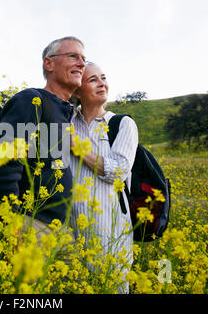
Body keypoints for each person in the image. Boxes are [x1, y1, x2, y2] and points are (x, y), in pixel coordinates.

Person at [0, 36, 86, 241]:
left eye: (83, 59)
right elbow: (6, 161)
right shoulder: (32, 99)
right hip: (29, 223)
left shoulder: (67, 114)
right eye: (73, 56)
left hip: (60, 230)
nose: (81, 63)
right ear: (49, 63)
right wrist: (9, 224)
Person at [69, 62, 138, 293]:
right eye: (93, 80)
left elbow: (118, 170)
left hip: (111, 233)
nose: (102, 83)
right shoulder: (66, 123)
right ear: (78, 91)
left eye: (104, 78)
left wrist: (77, 148)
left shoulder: (122, 124)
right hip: (70, 232)